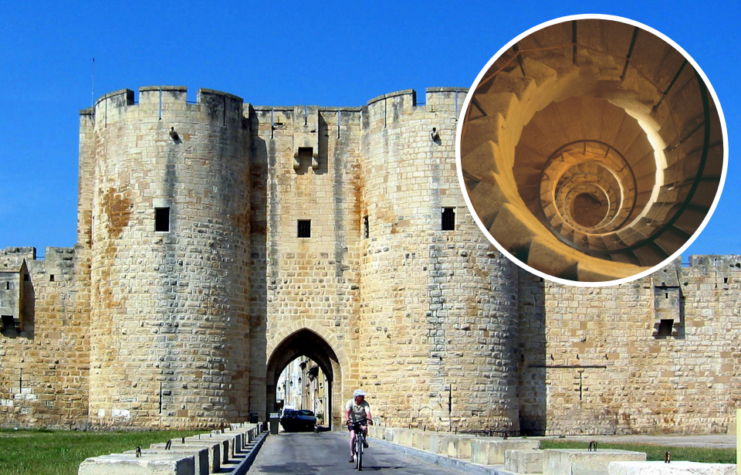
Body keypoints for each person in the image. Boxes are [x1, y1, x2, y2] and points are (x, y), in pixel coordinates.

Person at [345, 389, 373, 463]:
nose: (363, 397)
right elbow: (347, 412)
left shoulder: (365, 403)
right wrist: (348, 420)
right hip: (352, 421)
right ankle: (351, 455)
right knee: (353, 436)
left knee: (364, 428)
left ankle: (364, 439)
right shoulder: (350, 402)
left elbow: (368, 412)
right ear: (356, 397)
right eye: (361, 396)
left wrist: (369, 419)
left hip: (362, 420)